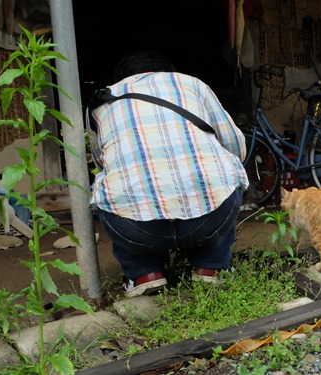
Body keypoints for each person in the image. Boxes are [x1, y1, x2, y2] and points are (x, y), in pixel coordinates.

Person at [86, 50, 249, 298]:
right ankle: (212, 267)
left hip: (134, 229)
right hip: (210, 219)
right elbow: (235, 146)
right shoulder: (192, 85)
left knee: (111, 185)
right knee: (226, 172)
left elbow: (102, 163)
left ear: (120, 78)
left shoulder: (101, 102)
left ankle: (144, 273)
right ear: (169, 72)